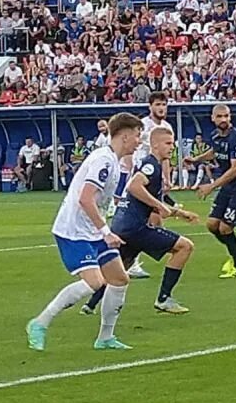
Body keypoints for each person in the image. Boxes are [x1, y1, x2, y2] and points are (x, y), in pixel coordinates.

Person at [25, 112, 143, 352]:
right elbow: (86, 199)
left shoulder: (115, 162)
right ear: (125, 136)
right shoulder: (104, 160)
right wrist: (106, 231)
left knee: (120, 279)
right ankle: (39, 323)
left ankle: (105, 338)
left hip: (92, 231)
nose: (139, 141)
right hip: (74, 231)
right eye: (137, 136)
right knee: (94, 282)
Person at [82, 127, 198, 317]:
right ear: (155, 145)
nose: (172, 147)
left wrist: (180, 213)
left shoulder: (152, 166)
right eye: (168, 143)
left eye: (173, 143)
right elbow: (134, 186)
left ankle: (90, 304)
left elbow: (154, 202)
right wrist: (159, 206)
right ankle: (164, 299)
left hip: (123, 224)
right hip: (135, 227)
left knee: (120, 268)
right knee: (185, 247)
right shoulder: (151, 165)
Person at [187, 103, 236, 278]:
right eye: (219, 116)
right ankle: (235, 251)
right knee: (212, 225)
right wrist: (196, 159)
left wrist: (211, 186)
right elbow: (214, 152)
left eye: (226, 116)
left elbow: (235, 169)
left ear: (230, 117)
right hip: (228, 187)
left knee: (225, 228)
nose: (223, 119)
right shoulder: (215, 136)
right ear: (213, 118)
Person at [126, 91, 174, 279]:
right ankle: (131, 262)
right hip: (140, 175)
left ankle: (130, 259)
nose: (161, 108)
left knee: (155, 219)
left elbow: (166, 155)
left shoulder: (167, 127)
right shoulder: (143, 125)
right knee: (142, 219)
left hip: (154, 177)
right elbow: (132, 149)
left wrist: (167, 178)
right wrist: (131, 170)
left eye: (164, 104)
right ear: (150, 106)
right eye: (158, 104)